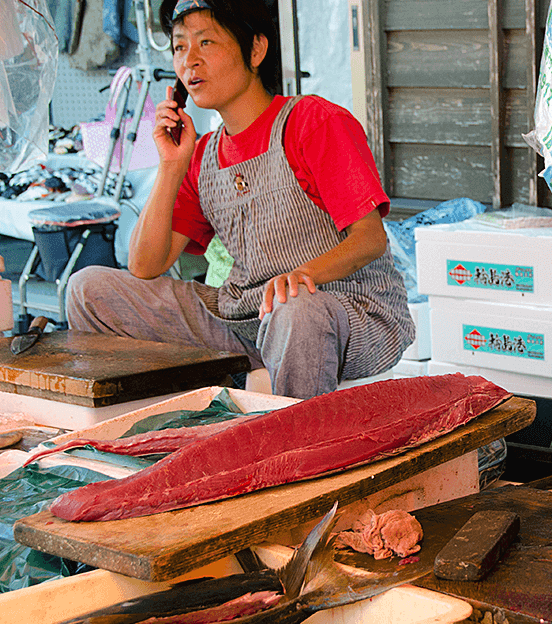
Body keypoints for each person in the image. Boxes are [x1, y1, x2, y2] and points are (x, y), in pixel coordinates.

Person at [67, 0, 414, 399]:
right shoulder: (202, 155)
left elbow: (370, 239)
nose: (189, 61)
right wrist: (170, 166)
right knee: (88, 289)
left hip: (350, 314)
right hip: (247, 317)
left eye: (206, 42)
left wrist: (301, 277)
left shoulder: (313, 121)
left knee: (295, 309)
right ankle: (166, 429)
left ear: (255, 50)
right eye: (179, 47)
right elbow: (145, 265)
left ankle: (297, 453)